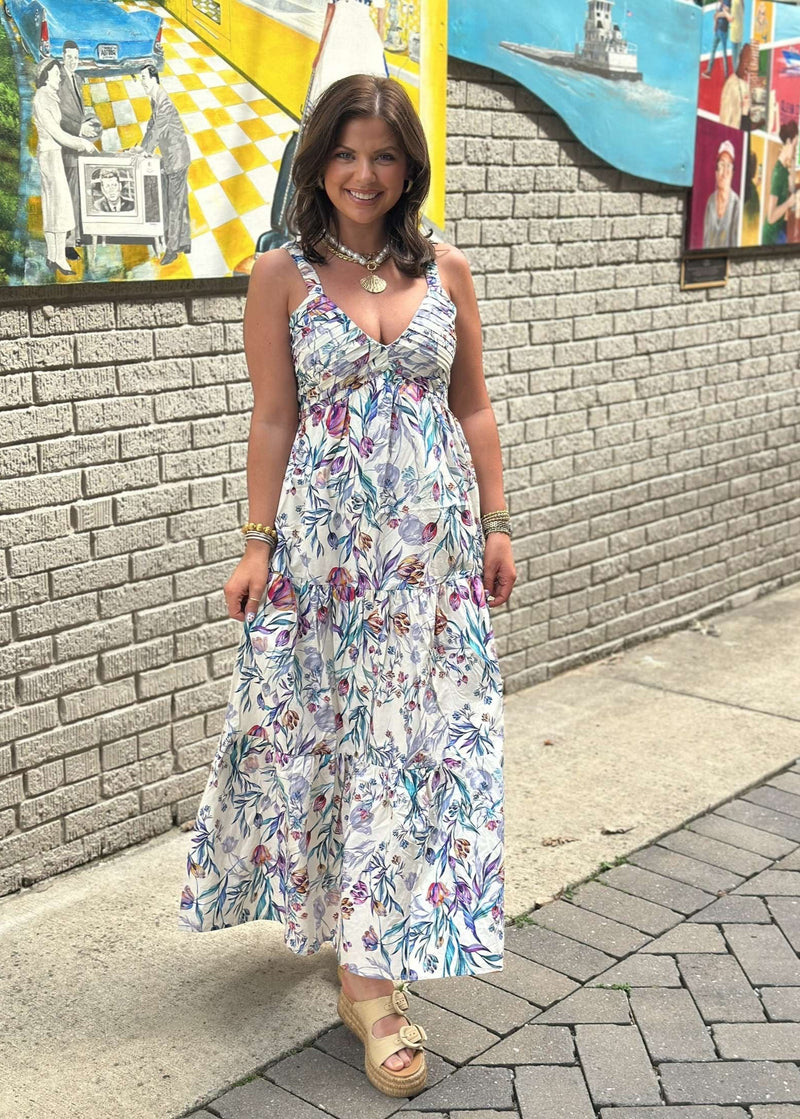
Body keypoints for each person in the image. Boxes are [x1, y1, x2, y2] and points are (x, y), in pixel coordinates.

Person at [178, 74, 514, 1099]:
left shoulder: (445, 268)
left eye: (384, 155)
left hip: (428, 565)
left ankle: (366, 969)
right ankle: (361, 960)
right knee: (327, 738)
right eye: (345, 153)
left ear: (409, 167)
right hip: (323, 563)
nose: (363, 174)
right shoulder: (280, 274)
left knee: (419, 745)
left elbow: (473, 409)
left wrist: (497, 523)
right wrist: (254, 546)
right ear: (318, 160)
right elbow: (273, 416)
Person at [32, 59, 96, 276]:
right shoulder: (42, 98)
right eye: (56, 73)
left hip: (50, 154)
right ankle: (60, 258)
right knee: (59, 207)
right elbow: (57, 133)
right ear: (46, 76)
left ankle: (52, 256)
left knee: (52, 206)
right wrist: (83, 143)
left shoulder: (49, 95)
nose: (59, 76)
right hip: (50, 155)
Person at [135, 64, 190, 266]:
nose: (141, 82)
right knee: (178, 201)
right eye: (140, 78)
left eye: (144, 78)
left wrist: (145, 150)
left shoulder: (163, 102)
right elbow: (152, 126)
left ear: (154, 79)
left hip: (176, 160)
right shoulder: (156, 98)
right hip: (174, 157)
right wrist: (140, 147)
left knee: (174, 205)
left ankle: (172, 249)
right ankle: (182, 242)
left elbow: (157, 130)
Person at [58, 40, 101, 261]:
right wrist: (79, 129)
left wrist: (89, 123)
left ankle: (74, 238)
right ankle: (65, 244)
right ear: (62, 57)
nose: (73, 61)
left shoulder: (77, 79)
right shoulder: (59, 81)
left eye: (76, 58)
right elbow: (57, 116)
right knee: (67, 196)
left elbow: (78, 112)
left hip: (77, 146)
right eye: (69, 57)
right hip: (66, 146)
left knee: (76, 194)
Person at [309, 0, 388, 107]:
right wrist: (320, 51)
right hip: (336, 39)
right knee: (330, 80)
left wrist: (379, 50)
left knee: (364, 89)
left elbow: (381, 21)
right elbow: (330, 12)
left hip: (362, 40)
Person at [762, 120, 799, 246]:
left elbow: (792, 187)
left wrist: (792, 161)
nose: (796, 150)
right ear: (788, 142)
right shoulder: (778, 173)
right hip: (770, 237)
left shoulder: (784, 169)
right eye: (795, 145)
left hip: (778, 232)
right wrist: (789, 203)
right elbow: (771, 217)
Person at [703, 139, 741, 248]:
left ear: (732, 173)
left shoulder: (736, 203)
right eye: (722, 165)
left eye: (728, 166)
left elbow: (735, 243)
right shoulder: (711, 201)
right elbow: (706, 241)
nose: (724, 172)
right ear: (716, 172)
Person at [719, 42, 757, 130]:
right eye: (746, 61)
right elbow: (724, 121)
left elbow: (745, 122)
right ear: (740, 58)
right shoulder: (731, 85)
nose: (748, 68)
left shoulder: (745, 86)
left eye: (751, 63)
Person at [703, 0, 732, 79]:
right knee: (713, 51)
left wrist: (718, 15)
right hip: (718, 30)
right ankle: (709, 70)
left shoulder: (727, 1)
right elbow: (716, 16)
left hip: (723, 30)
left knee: (724, 53)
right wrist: (715, 24)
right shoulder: (719, 4)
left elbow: (727, 13)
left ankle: (726, 75)